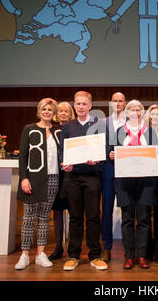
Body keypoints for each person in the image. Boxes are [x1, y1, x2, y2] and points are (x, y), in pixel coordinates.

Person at [59, 91, 107, 271]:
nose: (81, 107)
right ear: (74, 105)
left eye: (84, 104)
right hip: (72, 177)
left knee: (94, 215)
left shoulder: (98, 124)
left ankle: (95, 255)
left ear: (90, 105)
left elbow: (105, 148)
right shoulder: (68, 126)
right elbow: (62, 151)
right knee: (75, 217)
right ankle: (73, 255)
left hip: (93, 175)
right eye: (78, 104)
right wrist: (65, 164)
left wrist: (97, 160)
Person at [109, 100, 158, 269]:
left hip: (146, 182)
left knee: (144, 219)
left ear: (141, 113)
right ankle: (129, 256)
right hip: (124, 182)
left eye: (138, 110)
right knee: (127, 219)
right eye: (132, 109)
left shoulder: (151, 132)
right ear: (127, 112)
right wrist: (111, 154)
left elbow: (155, 154)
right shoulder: (118, 132)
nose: (135, 112)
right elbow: (111, 151)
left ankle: (143, 256)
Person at [15, 98, 61, 270]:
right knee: (28, 217)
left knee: (44, 217)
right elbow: (23, 156)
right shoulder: (29, 129)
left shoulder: (59, 131)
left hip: (53, 178)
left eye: (50, 109)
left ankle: (41, 254)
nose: (47, 111)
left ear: (53, 112)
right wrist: (23, 178)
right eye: (44, 109)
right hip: (33, 178)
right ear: (39, 111)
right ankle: (25, 255)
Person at [101, 92, 127, 262]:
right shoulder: (102, 123)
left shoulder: (132, 123)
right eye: (115, 101)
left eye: (120, 101)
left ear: (125, 104)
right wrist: (107, 154)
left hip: (126, 171)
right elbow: (97, 144)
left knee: (128, 211)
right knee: (107, 211)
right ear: (111, 103)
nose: (117, 103)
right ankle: (106, 248)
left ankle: (129, 250)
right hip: (108, 170)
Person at [48, 102, 75, 261]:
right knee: (57, 212)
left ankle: (72, 247)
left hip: (72, 174)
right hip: (56, 175)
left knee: (74, 211)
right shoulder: (50, 129)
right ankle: (58, 247)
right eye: (60, 111)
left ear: (70, 113)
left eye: (66, 111)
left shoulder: (74, 128)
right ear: (56, 114)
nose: (63, 113)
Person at [144, 104, 158, 263]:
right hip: (144, 175)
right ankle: (146, 246)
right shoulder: (141, 132)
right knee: (144, 211)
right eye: (152, 114)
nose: (155, 117)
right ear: (148, 116)